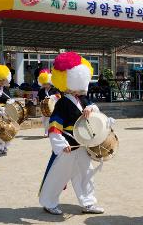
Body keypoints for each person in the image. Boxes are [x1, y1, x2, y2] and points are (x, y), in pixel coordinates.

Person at [38, 52, 104, 215]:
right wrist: (61, 144)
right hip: (68, 145)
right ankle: (49, 202)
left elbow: (94, 108)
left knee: (86, 174)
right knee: (58, 176)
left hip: (82, 145)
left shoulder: (82, 99)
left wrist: (90, 108)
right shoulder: (62, 103)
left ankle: (88, 203)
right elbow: (54, 126)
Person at [0, 64, 14, 155]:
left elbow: (9, 99)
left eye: (2, 80)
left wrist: (10, 101)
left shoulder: (6, 90)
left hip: (5, 113)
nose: (1, 82)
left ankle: (5, 147)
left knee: (7, 130)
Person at [37, 69, 60, 137]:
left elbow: (59, 96)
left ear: (50, 82)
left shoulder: (54, 90)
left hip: (53, 107)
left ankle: (50, 131)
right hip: (44, 108)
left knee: (51, 120)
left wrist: (53, 96)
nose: (45, 85)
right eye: (43, 83)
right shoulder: (41, 90)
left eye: (46, 83)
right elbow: (39, 98)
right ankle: (46, 131)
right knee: (44, 120)